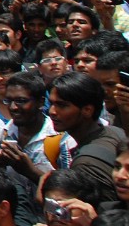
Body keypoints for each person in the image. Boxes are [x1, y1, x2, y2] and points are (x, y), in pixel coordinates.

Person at [48, 71, 127, 202]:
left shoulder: (86, 165)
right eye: (51, 103)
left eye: (62, 105)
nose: (52, 112)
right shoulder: (114, 132)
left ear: (87, 110)